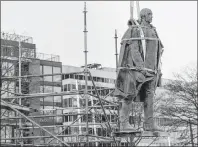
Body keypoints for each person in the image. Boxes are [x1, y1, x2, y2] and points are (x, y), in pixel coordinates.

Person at [114, 8, 164, 131]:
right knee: (129, 95)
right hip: (138, 70)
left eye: (152, 14)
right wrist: (141, 67)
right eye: (149, 14)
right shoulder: (135, 30)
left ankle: (149, 124)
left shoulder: (153, 30)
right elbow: (134, 49)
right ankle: (124, 123)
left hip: (152, 71)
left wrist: (157, 68)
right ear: (142, 16)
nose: (151, 16)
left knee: (149, 97)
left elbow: (158, 50)